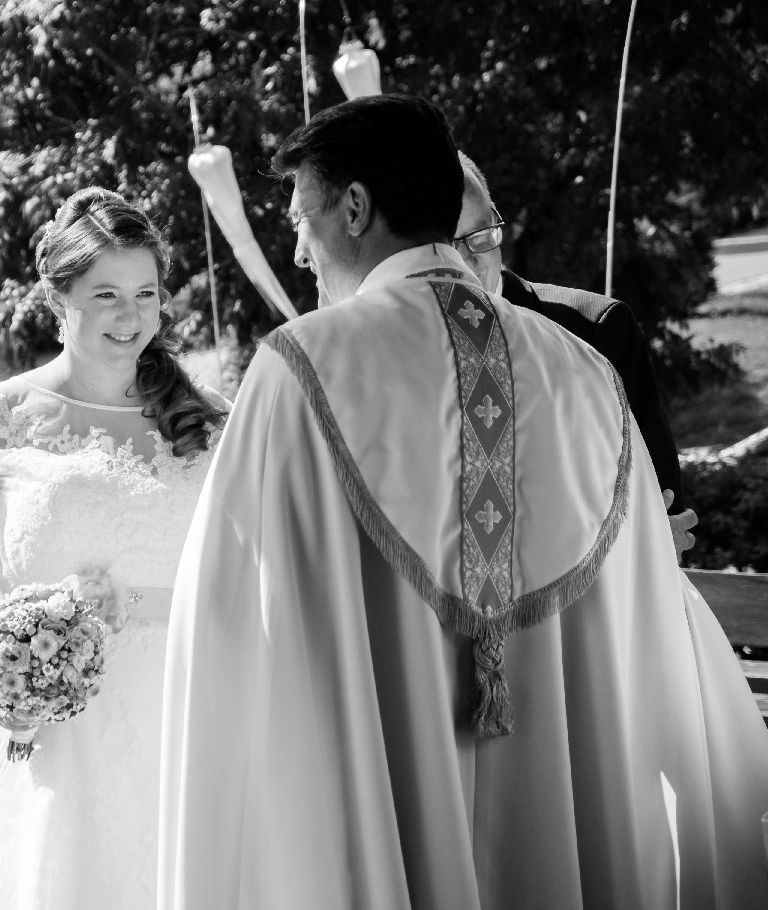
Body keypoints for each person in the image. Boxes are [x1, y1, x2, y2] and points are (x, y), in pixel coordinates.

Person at [160, 95, 768, 909]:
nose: (298, 251)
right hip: (561, 779)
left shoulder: (301, 363)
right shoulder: (582, 369)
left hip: (380, 774)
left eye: (303, 219)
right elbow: (648, 621)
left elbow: (228, 613)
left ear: (354, 207)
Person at [0, 187, 230, 910]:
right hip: (57, 736)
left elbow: (252, 577)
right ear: (56, 298)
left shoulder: (214, 420)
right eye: (107, 295)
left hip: (187, 719)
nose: (131, 316)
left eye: (146, 294)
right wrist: (10, 684)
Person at [455, 151, 698, 558]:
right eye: (450, 245)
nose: (470, 261)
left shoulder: (596, 328)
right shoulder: (398, 355)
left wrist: (645, 540)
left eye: (481, 236)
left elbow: (663, 505)